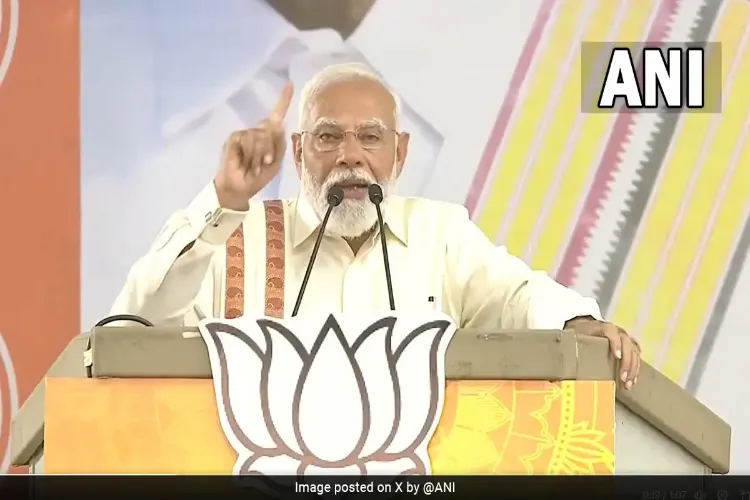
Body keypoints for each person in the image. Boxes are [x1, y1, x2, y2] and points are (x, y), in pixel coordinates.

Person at [110, 63, 641, 389]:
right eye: (327, 137)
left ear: (400, 151)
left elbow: (517, 296)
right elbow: (132, 327)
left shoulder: (440, 234)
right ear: (297, 152)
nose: (350, 157)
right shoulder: (236, 235)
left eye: (370, 136)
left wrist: (577, 323)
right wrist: (223, 201)